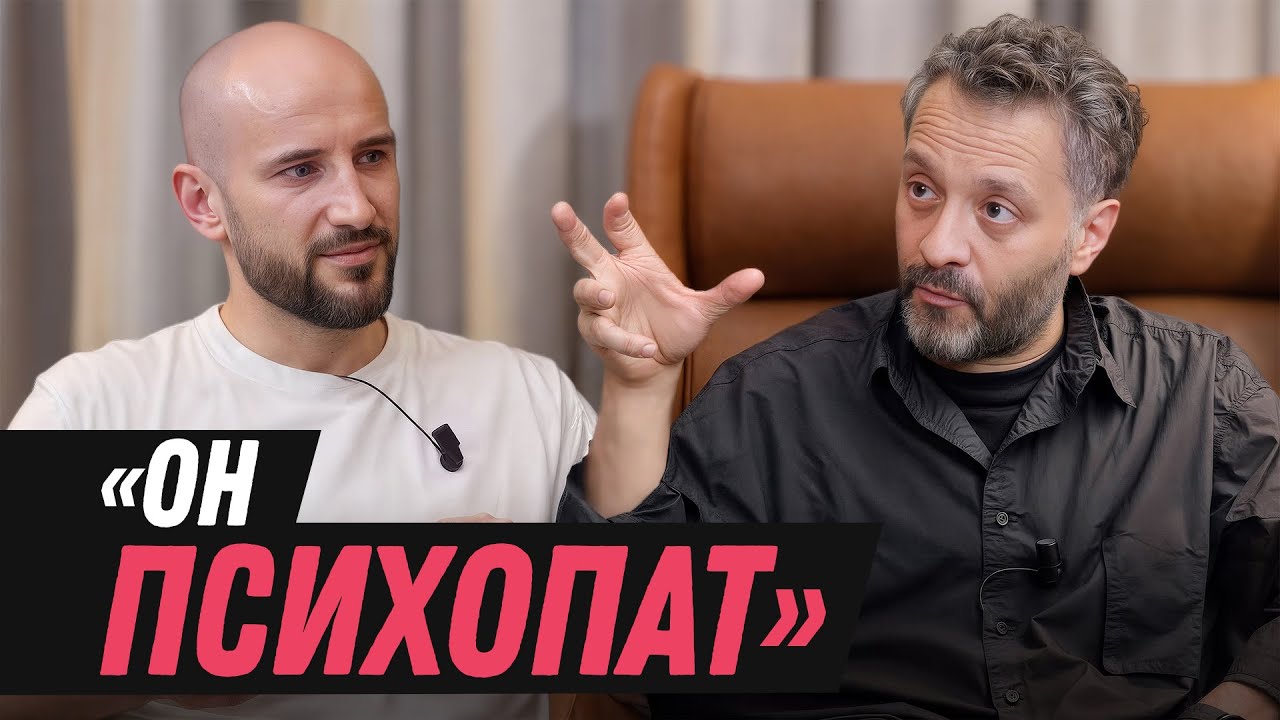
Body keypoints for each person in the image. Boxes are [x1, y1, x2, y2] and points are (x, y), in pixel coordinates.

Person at [553, 14, 1278, 720]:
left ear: (1088, 234)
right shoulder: (775, 397)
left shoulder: (1198, 392)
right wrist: (639, 385)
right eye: (922, 190)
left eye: (996, 210)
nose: (937, 246)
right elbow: (611, 651)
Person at [5, 20, 594, 720]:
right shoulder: (97, 408)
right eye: (301, 169)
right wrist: (346, 611)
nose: (357, 206)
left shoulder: (526, 394)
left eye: (372, 156)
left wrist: (645, 381)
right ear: (203, 203)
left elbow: (655, 637)